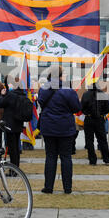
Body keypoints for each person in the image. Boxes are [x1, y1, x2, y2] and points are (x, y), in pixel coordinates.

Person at [38, 66, 81, 194]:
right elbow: (76, 108)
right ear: (61, 76)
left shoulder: (44, 89)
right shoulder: (68, 90)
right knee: (66, 157)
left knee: (50, 157)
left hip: (49, 127)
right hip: (65, 128)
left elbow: (40, 103)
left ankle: (48, 187)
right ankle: (67, 187)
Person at [0, 74, 26, 168]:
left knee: (12, 148)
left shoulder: (11, 95)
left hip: (10, 124)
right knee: (16, 148)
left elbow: (0, 103)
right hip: (18, 123)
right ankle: (16, 167)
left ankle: (13, 169)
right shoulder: (22, 94)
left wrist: (2, 95)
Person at [81, 82, 109, 166]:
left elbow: (82, 107)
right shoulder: (102, 94)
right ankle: (107, 160)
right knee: (102, 140)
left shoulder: (86, 94)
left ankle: (92, 160)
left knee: (89, 140)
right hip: (100, 119)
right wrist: (101, 113)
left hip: (89, 118)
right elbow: (108, 109)